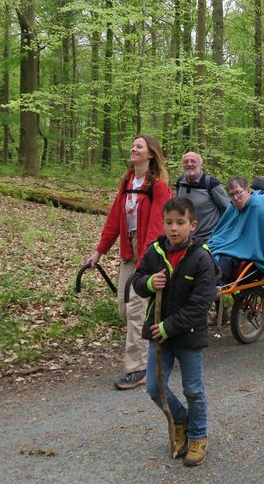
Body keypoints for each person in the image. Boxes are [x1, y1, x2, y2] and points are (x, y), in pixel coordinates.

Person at [131, 197, 215, 467]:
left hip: (187, 335)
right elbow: (137, 281)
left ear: (193, 225)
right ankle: (181, 420)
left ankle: (198, 435)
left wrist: (168, 327)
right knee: (155, 388)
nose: (174, 228)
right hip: (158, 336)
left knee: (193, 389)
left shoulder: (202, 258)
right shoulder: (155, 251)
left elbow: (200, 305)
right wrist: (148, 282)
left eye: (180, 223)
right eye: (169, 222)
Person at [86, 135, 172, 390]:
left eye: (139, 146)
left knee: (136, 309)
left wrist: (146, 260)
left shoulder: (159, 186)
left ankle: (138, 369)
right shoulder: (126, 182)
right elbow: (114, 219)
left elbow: (158, 225)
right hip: (128, 251)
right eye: (133, 146)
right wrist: (99, 251)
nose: (133, 149)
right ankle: (154, 350)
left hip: (149, 253)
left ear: (150, 154)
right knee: (125, 308)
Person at [207, 177, 264, 287]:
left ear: (248, 191)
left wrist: (230, 247)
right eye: (231, 195)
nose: (235, 198)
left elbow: (258, 242)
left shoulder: (258, 208)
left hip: (248, 250)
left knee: (225, 259)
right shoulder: (233, 207)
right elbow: (223, 231)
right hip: (235, 245)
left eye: (238, 193)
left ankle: (215, 288)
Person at [174, 151, 230, 241]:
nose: (189, 164)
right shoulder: (180, 182)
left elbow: (228, 208)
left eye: (193, 161)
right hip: (185, 238)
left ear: (201, 165)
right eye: (186, 161)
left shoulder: (211, 183)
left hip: (209, 239)